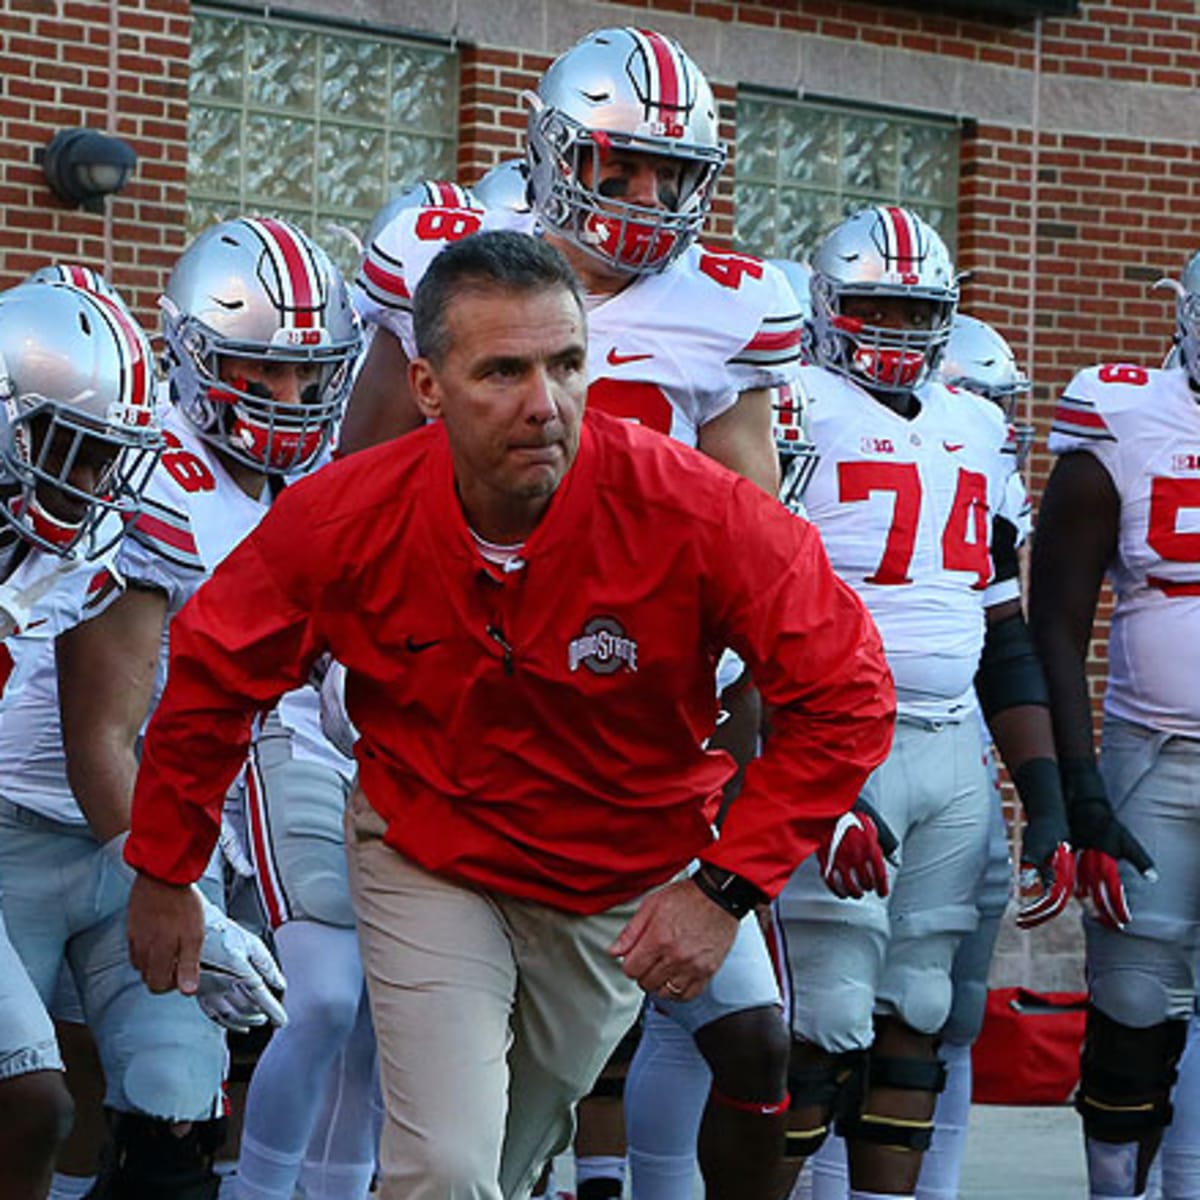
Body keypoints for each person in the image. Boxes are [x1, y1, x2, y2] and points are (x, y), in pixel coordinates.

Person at [121, 229, 895, 1200]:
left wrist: (726, 888)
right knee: (445, 1170)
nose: (544, 405)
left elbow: (847, 689)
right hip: (431, 852)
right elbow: (212, 667)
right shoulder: (350, 514)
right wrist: (165, 866)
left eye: (566, 364)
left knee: (509, 1162)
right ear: (429, 386)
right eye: (502, 372)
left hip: (614, 877)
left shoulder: (693, 511)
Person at [349, 27, 805, 1200]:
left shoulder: (730, 306)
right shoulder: (447, 255)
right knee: (442, 1074)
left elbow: (767, 563)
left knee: (724, 1038)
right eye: (621, 165)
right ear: (555, 152)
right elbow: (354, 484)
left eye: (672, 171)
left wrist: (746, 777)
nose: (649, 197)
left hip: (636, 739)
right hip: (461, 716)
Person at [31, 216, 357, 1199]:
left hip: (229, 794)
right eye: (262, 371)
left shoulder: (319, 473)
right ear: (191, 354)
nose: (291, 399)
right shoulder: (142, 463)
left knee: (215, 1071)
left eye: (310, 373)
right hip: (112, 805)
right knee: (70, 1076)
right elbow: (102, 723)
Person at [776, 205, 1073, 1200]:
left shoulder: (976, 424)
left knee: (922, 1004)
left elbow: (1003, 620)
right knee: (824, 1008)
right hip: (839, 733)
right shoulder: (790, 404)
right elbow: (749, 600)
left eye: (917, 311)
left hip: (952, 752)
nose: (896, 331)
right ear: (827, 307)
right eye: (874, 307)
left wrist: (1047, 795)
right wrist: (804, 766)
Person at [1028, 252, 1200, 1200]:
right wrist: (1080, 785)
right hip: (1155, 754)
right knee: (1134, 1001)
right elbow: (1057, 615)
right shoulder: (1125, 415)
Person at [0, 278, 162, 1200]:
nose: (95, 481)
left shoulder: (61, 550)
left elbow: (101, 726)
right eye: (75, 449)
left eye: (108, 455)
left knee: (44, 1100)